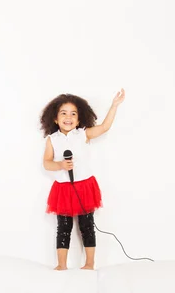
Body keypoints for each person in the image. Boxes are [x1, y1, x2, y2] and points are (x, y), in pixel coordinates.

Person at [40, 89, 125, 270]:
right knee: (63, 228)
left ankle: (89, 263)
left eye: (73, 114)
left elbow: (104, 127)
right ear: (55, 119)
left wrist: (114, 106)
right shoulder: (52, 139)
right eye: (63, 113)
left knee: (87, 226)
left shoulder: (83, 134)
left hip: (84, 186)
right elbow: (47, 163)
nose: (68, 117)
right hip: (63, 189)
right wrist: (60, 165)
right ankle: (61, 264)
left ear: (79, 120)